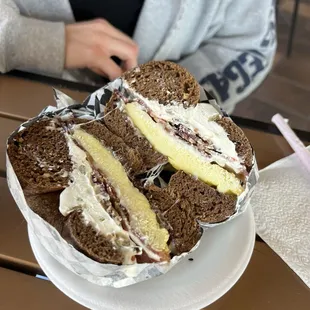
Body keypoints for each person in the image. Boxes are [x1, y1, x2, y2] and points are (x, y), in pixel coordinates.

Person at [0, 0, 276, 113]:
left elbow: (247, 43)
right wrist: (26, 39)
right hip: (17, 116)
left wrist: (175, 100)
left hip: (168, 146)